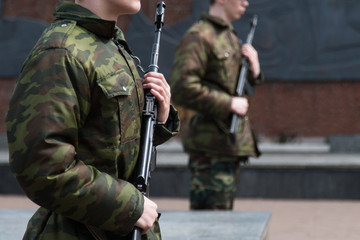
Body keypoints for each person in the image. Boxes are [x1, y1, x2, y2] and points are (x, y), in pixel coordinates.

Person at [6, 0, 179, 239]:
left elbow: (107, 142)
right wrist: (129, 206)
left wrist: (158, 121)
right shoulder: (61, 51)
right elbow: (43, 167)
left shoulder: (109, 41)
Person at [170, 0, 263, 210]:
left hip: (227, 145)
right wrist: (228, 103)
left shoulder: (229, 36)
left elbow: (229, 82)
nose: (245, 3)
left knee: (222, 222)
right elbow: (182, 88)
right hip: (210, 151)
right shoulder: (199, 36)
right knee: (210, 224)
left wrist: (254, 70)